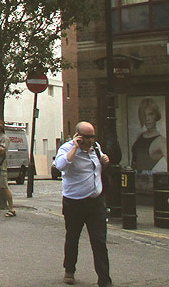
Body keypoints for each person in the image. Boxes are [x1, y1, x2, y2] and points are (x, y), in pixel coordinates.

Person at [55, 121, 112, 287]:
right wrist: (74, 147)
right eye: (86, 137)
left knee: (99, 241)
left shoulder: (96, 148)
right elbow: (61, 166)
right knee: (72, 237)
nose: (90, 140)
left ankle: (104, 279)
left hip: (95, 202)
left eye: (92, 136)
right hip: (74, 203)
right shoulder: (66, 149)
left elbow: (100, 167)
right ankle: (69, 270)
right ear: (77, 136)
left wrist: (104, 160)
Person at [131, 97, 166, 173]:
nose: (147, 119)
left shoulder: (161, 141)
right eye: (144, 115)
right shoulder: (139, 135)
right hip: (133, 179)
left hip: (149, 181)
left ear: (156, 115)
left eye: (150, 114)